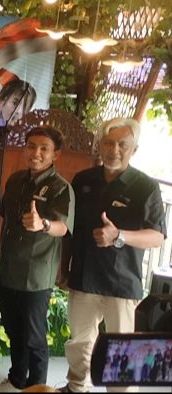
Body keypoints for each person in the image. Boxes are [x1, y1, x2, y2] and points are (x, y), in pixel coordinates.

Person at [60, 117, 166, 392]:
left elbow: (157, 236)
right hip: (83, 278)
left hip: (121, 283)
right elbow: (72, 229)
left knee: (122, 354)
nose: (114, 150)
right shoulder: (83, 180)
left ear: (134, 149)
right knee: (79, 345)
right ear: (100, 145)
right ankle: (76, 387)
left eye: (122, 144)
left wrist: (119, 236)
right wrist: (64, 268)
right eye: (108, 143)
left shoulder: (145, 187)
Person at [0, 126, 74, 392]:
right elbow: (3, 213)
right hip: (8, 270)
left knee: (34, 339)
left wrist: (43, 224)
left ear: (55, 154)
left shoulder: (60, 188)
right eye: (31, 146)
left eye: (44, 148)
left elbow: (63, 227)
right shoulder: (16, 180)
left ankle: (37, 388)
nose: (36, 153)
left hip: (35, 276)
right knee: (14, 332)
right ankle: (17, 381)